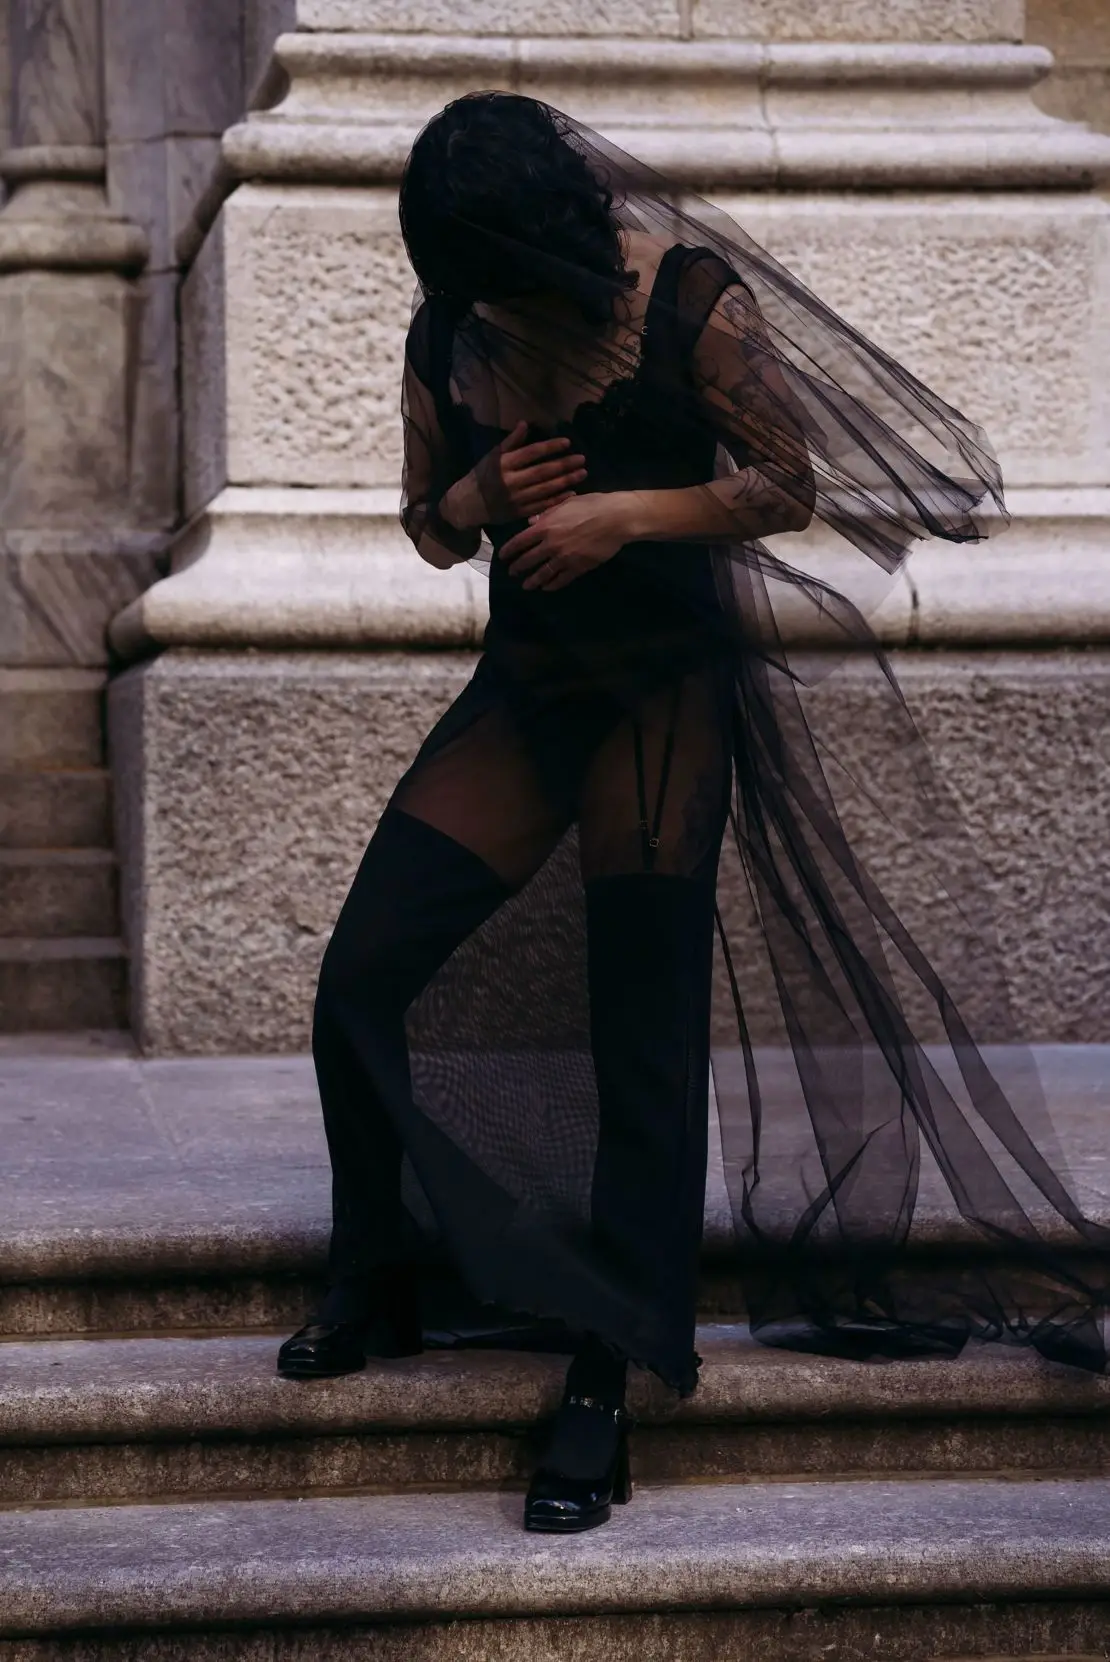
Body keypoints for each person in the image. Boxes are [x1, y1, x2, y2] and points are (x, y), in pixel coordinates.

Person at [278, 92, 1109, 1534]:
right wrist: (474, 491)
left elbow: (787, 483)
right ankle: (375, 1274)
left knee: (639, 1037)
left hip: (658, 690)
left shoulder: (688, 302)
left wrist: (622, 514)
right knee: (361, 971)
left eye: (483, 267)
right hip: (528, 691)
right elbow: (425, 525)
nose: (467, 299)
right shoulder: (450, 326)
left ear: (546, 232)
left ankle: (610, 1365)